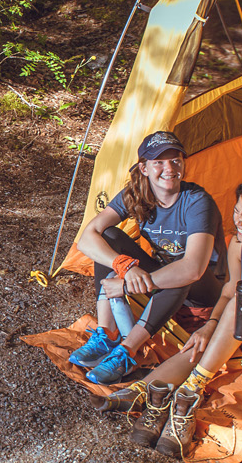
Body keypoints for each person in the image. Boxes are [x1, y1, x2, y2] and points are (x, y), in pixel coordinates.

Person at [98, 174, 242, 459]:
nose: (238, 221)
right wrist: (209, 327)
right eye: (237, 212)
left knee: (239, 308)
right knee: (202, 339)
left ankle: (189, 388)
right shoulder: (240, 245)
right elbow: (229, 292)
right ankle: (150, 392)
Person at [67, 131, 225, 385]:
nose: (170, 168)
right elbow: (88, 237)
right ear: (144, 167)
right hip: (162, 281)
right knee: (107, 237)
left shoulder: (197, 202)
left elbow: (194, 269)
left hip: (205, 292)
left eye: (176, 160)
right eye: (159, 162)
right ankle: (107, 333)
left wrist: (126, 284)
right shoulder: (137, 194)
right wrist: (124, 266)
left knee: (180, 271)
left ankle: (128, 352)